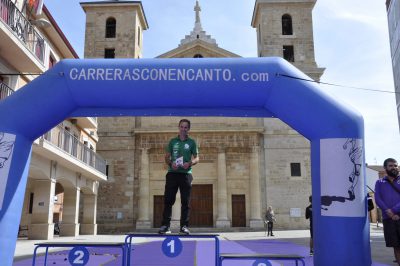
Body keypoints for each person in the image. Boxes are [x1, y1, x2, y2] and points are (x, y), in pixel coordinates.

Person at [158, 119, 199, 235]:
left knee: (185, 201)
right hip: (172, 173)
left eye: (186, 127)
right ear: (179, 127)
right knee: (168, 200)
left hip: (186, 174)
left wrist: (190, 163)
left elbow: (197, 158)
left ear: (188, 129)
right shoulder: (172, 142)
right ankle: (165, 225)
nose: (183, 129)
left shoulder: (191, 142)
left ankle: (184, 226)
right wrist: (171, 164)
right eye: (182, 127)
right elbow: (166, 157)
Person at [374, 158, 400, 265]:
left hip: (397, 215)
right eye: (391, 165)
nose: (394, 167)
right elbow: (378, 198)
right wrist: (388, 212)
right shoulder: (379, 182)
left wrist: (394, 210)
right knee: (396, 245)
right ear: (385, 168)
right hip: (388, 218)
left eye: (395, 165)